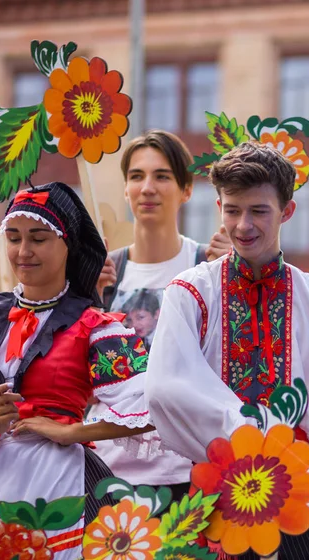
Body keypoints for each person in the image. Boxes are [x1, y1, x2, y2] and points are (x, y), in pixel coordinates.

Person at [146, 142, 309, 560]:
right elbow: (165, 389)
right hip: (216, 496)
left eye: (258, 211)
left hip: (306, 495)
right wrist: (252, 435)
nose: (242, 225)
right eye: (231, 210)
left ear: (287, 211)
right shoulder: (190, 293)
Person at [0, 182, 153, 559]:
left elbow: (152, 403)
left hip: (56, 480)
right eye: (14, 238)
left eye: (38, 238)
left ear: (68, 243)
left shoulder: (94, 326)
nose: (23, 251)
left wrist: (73, 431)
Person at [89, 129, 231, 497]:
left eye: (162, 176)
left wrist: (236, 274)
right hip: (110, 472)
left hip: (188, 472)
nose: (147, 187)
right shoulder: (105, 273)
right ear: (125, 189)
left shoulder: (207, 265)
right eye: (136, 176)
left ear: (187, 190)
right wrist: (88, 298)